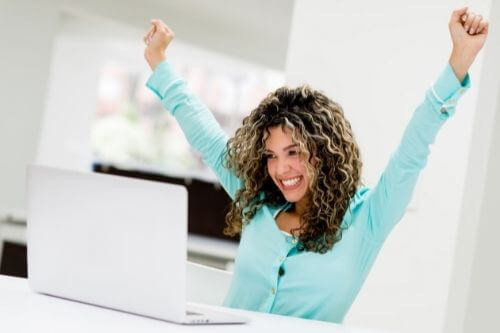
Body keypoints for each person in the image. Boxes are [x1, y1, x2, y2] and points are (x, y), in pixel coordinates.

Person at [142, 7, 488, 323]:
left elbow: (413, 150)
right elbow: (206, 136)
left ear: (323, 152)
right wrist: (159, 61)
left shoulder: (367, 219)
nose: (281, 169)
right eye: (272, 156)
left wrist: (458, 61)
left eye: (294, 153)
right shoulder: (258, 202)